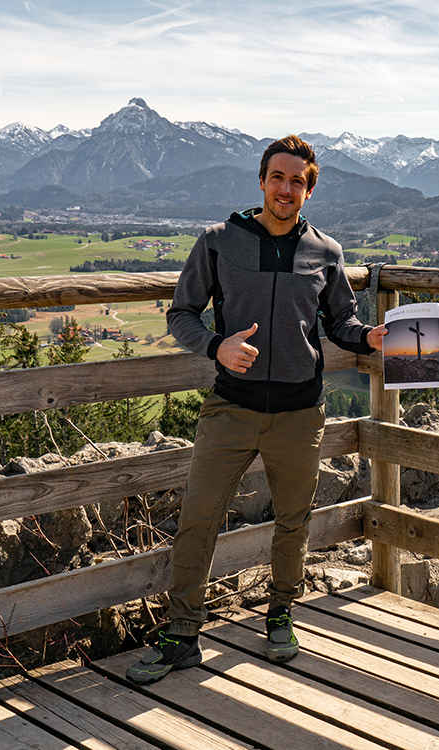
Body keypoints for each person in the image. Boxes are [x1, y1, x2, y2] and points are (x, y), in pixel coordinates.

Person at [127, 134, 386, 684]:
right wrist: (215, 346)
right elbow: (182, 314)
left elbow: (340, 324)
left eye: (298, 181)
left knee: (293, 521)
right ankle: (181, 636)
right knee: (198, 520)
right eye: (278, 177)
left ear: (308, 190)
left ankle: (281, 614)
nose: (286, 189)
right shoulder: (220, 241)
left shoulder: (327, 252)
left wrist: (373, 338)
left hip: (300, 412)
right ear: (262, 181)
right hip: (231, 408)